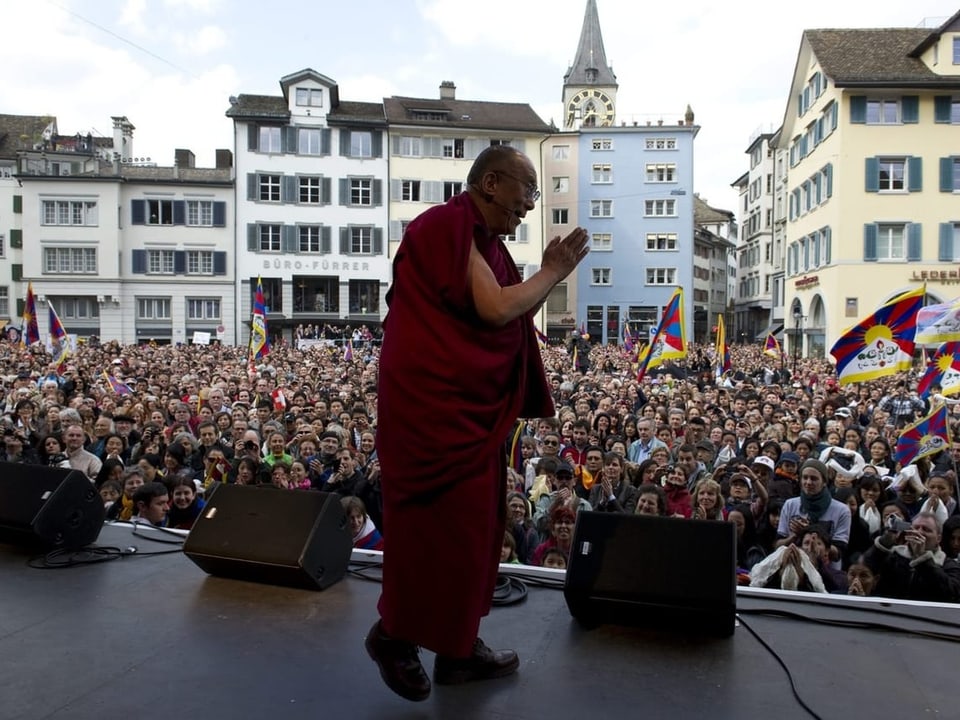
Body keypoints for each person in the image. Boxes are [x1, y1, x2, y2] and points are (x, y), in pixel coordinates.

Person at [365, 144, 590, 702]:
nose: (529, 206)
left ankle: (458, 649)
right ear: (491, 182)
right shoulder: (445, 226)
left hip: (465, 414)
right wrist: (553, 272)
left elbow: (507, 311)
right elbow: (494, 310)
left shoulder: (489, 247)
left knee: (475, 532)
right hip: (433, 413)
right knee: (436, 533)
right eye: (527, 192)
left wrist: (539, 279)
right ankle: (393, 637)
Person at [862, 511, 960, 602]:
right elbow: (866, 569)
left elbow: (952, 594)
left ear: (938, 538)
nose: (919, 532)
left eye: (926, 530)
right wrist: (885, 542)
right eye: (916, 528)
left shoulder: (949, 565)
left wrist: (922, 559)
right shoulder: (894, 556)